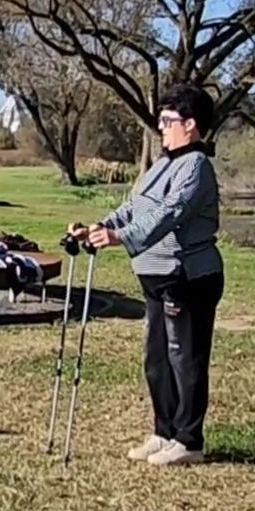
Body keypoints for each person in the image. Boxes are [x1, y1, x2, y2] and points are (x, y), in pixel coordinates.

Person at [74, 85, 224, 468]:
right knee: (157, 360)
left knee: (184, 359)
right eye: (161, 120)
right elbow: (134, 207)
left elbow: (170, 213)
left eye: (168, 120)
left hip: (187, 277)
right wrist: (100, 227)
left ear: (190, 125)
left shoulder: (196, 166)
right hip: (157, 280)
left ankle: (188, 441)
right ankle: (164, 432)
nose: (161, 127)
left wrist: (121, 238)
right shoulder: (163, 164)